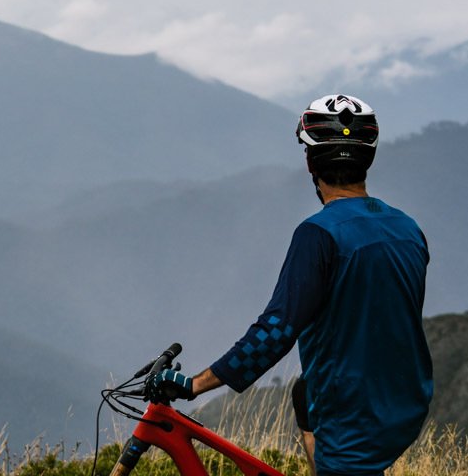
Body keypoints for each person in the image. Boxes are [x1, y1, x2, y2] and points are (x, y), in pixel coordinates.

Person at [152, 94, 432, 476]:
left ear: (309, 162)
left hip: (351, 418)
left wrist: (195, 384)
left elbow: (276, 332)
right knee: (304, 393)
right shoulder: (407, 228)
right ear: (370, 157)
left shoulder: (318, 234)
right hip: (404, 402)